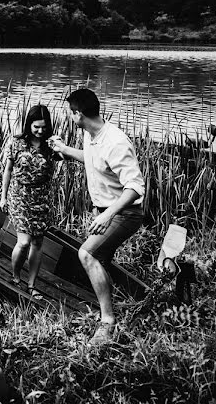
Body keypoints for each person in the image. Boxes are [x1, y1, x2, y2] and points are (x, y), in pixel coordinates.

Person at [48, 88, 145, 346]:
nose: (70, 118)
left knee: (87, 254)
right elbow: (92, 161)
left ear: (79, 114)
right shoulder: (90, 134)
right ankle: (114, 306)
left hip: (125, 212)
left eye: (71, 113)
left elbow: (135, 188)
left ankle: (107, 322)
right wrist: (64, 150)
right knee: (99, 257)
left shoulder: (115, 142)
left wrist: (108, 215)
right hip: (106, 211)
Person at [0, 104, 58, 300]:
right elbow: (8, 170)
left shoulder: (51, 146)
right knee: (23, 242)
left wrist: (60, 144)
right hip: (19, 196)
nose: (40, 131)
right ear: (28, 125)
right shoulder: (16, 143)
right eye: (36, 127)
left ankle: (32, 284)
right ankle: (16, 276)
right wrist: (3, 195)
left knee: (38, 242)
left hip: (41, 199)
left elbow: (68, 155)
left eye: (44, 127)